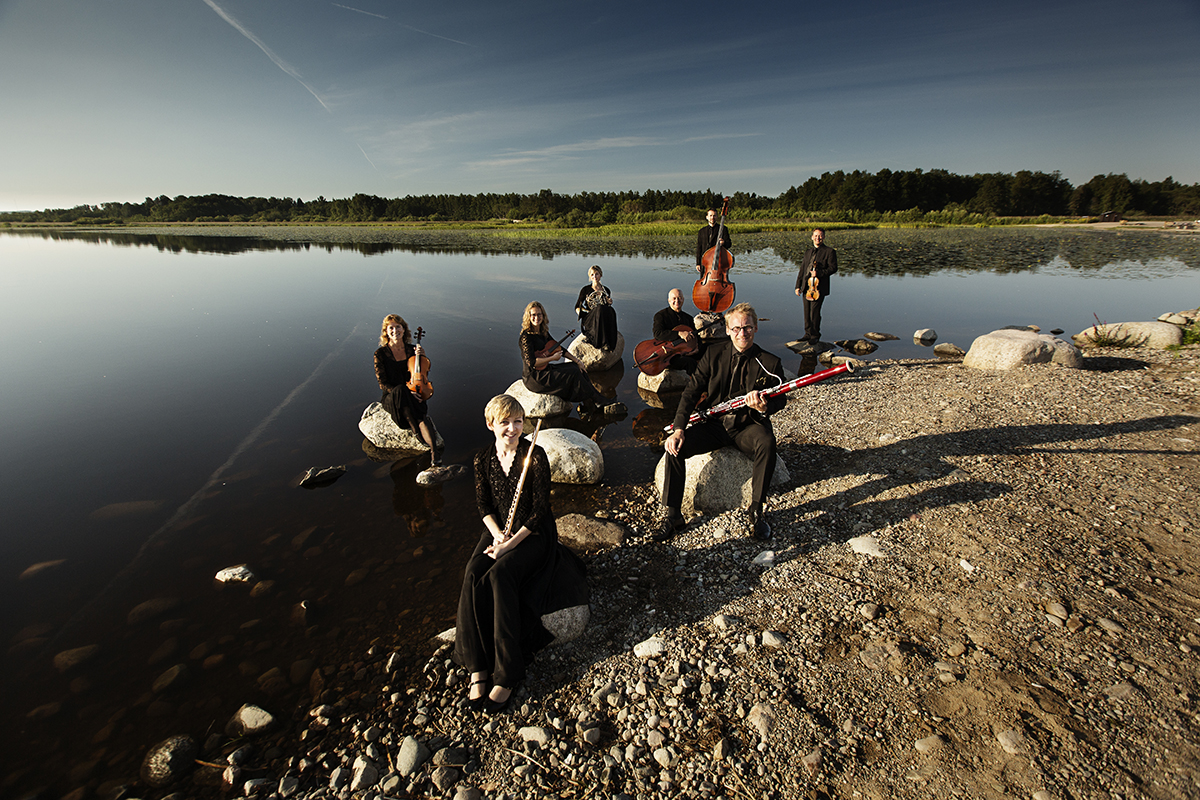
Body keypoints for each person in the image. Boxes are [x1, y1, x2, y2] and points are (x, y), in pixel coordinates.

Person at [454, 394, 589, 713]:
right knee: (473, 574)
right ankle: (478, 666)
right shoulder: (482, 459)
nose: (513, 428)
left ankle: (508, 672)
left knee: (502, 574)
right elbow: (484, 506)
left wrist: (510, 545)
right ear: (490, 424)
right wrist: (498, 535)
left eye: (518, 421)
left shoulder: (536, 455)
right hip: (499, 529)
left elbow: (541, 510)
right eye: (505, 422)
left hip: (534, 532)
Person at [656, 303, 785, 542]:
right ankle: (673, 515)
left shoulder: (770, 362)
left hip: (747, 426)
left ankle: (756, 511)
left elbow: (781, 400)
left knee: (767, 442)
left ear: (755, 328)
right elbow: (691, 392)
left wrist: (765, 406)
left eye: (747, 328)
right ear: (727, 330)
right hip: (715, 425)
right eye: (736, 328)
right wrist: (678, 428)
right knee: (675, 448)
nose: (742, 333)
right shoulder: (712, 354)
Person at [374, 314, 449, 483]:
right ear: (386, 332)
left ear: (404, 329)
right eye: (391, 328)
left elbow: (421, 371)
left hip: (414, 390)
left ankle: (435, 454)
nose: (395, 331)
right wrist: (407, 393)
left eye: (398, 327)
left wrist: (422, 356)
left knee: (421, 415)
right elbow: (382, 383)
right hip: (393, 396)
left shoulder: (412, 350)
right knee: (402, 391)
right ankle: (415, 430)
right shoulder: (380, 353)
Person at [519, 301, 625, 417]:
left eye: (539, 314)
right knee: (573, 372)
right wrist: (552, 358)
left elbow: (559, 348)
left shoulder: (543, 332)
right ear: (528, 317)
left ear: (543, 316)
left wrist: (577, 361)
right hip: (535, 378)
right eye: (533, 315)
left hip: (544, 371)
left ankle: (591, 402)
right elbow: (532, 362)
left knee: (577, 368)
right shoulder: (526, 337)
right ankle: (597, 400)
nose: (536, 318)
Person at [793, 228, 838, 343]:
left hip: (818, 287)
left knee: (815, 312)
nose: (818, 238)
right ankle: (807, 334)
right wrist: (798, 286)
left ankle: (815, 335)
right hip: (806, 286)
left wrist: (819, 273)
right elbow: (802, 270)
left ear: (824, 237)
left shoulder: (829, 251)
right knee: (807, 312)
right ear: (812, 237)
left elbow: (833, 268)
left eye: (820, 236)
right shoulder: (808, 252)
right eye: (816, 235)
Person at [651, 288, 701, 374]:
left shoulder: (688, 318)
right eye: (674, 298)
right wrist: (679, 333)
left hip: (686, 350)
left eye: (679, 298)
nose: (677, 301)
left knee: (710, 351)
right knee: (690, 362)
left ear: (683, 299)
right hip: (669, 355)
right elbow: (657, 334)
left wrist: (697, 348)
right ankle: (695, 386)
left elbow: (696, 336)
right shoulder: (661, 315)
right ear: (669, 300)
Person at [575, 265, 618, 352]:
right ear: (589, 276)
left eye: (596, 274)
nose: (594, 277)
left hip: (601, 316)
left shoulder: (606, 290)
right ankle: (600, 342)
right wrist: (581, 312)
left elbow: (606, 306)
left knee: (611, 311)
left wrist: (609, 302)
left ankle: (610, 342)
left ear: (600, 275)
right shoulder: (585, 290)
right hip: (590, 317)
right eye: (592, 275)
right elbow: (577, 306)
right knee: (599, 309)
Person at [695, 208, 731, 273]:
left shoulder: (723, 229)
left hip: (718, 262)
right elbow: (699, 248)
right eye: (710, 215)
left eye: (714, 215)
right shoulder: (701, 231)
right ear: (707, 217)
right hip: (705, 263)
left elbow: (729, 244)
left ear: (717, 217)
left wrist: (723, 243)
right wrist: (698, 263)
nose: (712, 217)